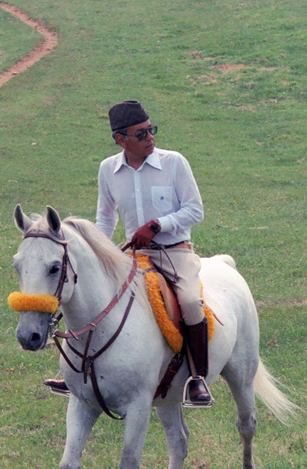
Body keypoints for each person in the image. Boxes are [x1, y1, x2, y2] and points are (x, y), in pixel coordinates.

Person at [47, 100, 213, 407]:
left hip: (175, 253)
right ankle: (77, 374)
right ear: (120, 140)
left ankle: (196, 378)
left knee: (190, 302)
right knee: (94, 297)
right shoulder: (108, 170)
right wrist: (99, 251)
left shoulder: (174, 162)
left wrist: (158, 225)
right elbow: (106, 219)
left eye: (151, 130)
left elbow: (195, 210)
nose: (150, 137)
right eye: (141, 133)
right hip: (133, 257)